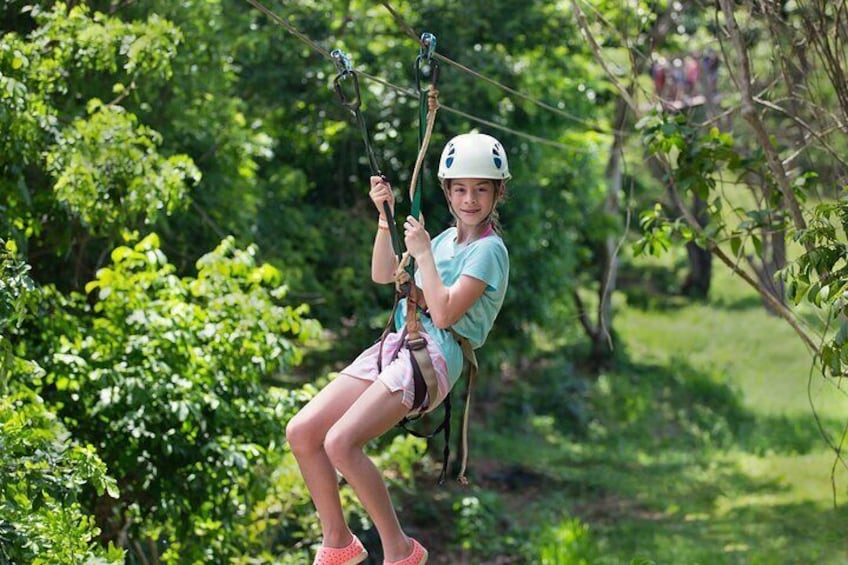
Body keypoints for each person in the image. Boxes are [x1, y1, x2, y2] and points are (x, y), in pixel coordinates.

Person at [285, 132, 511, 565]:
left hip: (435, 357)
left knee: (341, 443)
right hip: (399, 341)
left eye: (481, 189)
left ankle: (401, 550)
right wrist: (384, 219)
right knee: (303, 432)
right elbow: (384, 273)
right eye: (460, 189)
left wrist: (423, 253)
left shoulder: (489, 251)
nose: (469, 199)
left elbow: (444, 314)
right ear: (447, 191)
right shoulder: (444, 240)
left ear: (497, 193)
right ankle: (338, 540)